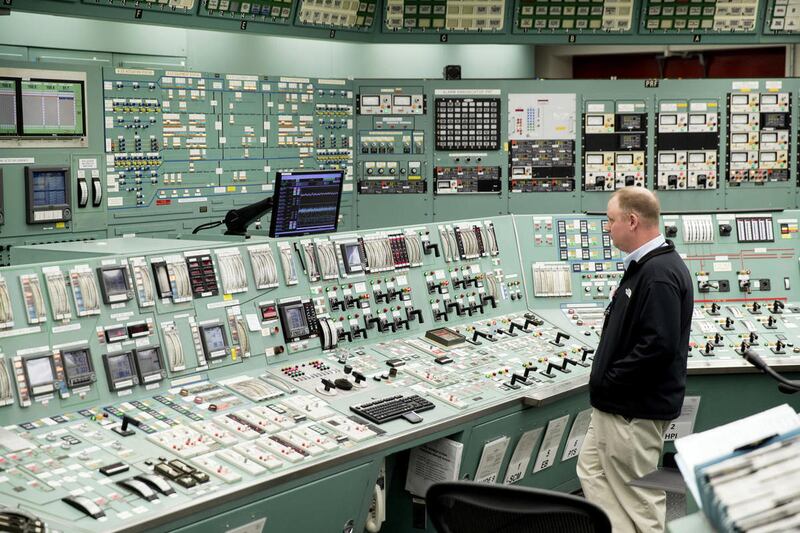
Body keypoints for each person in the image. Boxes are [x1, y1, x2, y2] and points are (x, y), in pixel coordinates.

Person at [577, 186, 693, 533]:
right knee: (592, 470)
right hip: (615, 405)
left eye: (611, 221)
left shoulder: (658, 275)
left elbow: (658, 346)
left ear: (632, 221)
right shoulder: (644, 268)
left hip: (632, 410)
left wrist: (611, 380)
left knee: (641, 499)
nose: (607, 228)